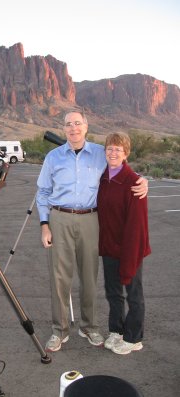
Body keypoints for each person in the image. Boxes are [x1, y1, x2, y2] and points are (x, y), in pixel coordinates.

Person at [36, 110, 148, 352]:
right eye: (68, 124)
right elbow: (43, 192)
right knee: (59, 279)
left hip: (90, 220)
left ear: (86, 126)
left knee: (89, 277)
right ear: (64, 128)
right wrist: (45, 224)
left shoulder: (100, 152)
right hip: (59, 218)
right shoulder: (53, 157)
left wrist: (142, 180)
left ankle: (89, 327)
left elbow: (122, 166)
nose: (73, 128)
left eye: (78, 123)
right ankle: (60, 330)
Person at [97, 132, 151, 355]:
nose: (113, 152)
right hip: (110, 247)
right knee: (113, 292)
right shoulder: (103, 178)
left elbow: (136, 227)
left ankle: (133, 338)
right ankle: (117, 330)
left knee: (134, 294)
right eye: (110, 148)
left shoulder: (134, 182)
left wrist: (130, 257)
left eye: (118, 149)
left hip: (131, 247)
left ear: (126, 153)